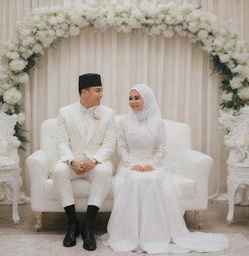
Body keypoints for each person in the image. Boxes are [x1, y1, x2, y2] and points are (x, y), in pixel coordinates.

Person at [103, 83, 229, 254]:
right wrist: (132, 164)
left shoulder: (158, 123)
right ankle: (129, 234)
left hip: (152, 164)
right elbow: (121, 147)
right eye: (130, 98)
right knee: (133, 179)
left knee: (152, 179)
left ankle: (154, 235)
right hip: (128, 165)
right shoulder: (124, 121)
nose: (133, 102)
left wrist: (151, 164)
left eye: (137, 98)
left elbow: (161, 149)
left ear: (146, 99)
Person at [52, 73, 116, 251]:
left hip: (96, 162)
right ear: (84, 92)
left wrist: (94, 160)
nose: (101, 94)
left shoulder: (109, 114)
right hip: (73, 161)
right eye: (98, 90)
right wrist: (71, 161)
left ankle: (88, 227)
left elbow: (110, 144)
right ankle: (72, 224)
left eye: (102, 90)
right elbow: (61, 142)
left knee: (104, 172)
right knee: (58, 170)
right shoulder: (65, 112)